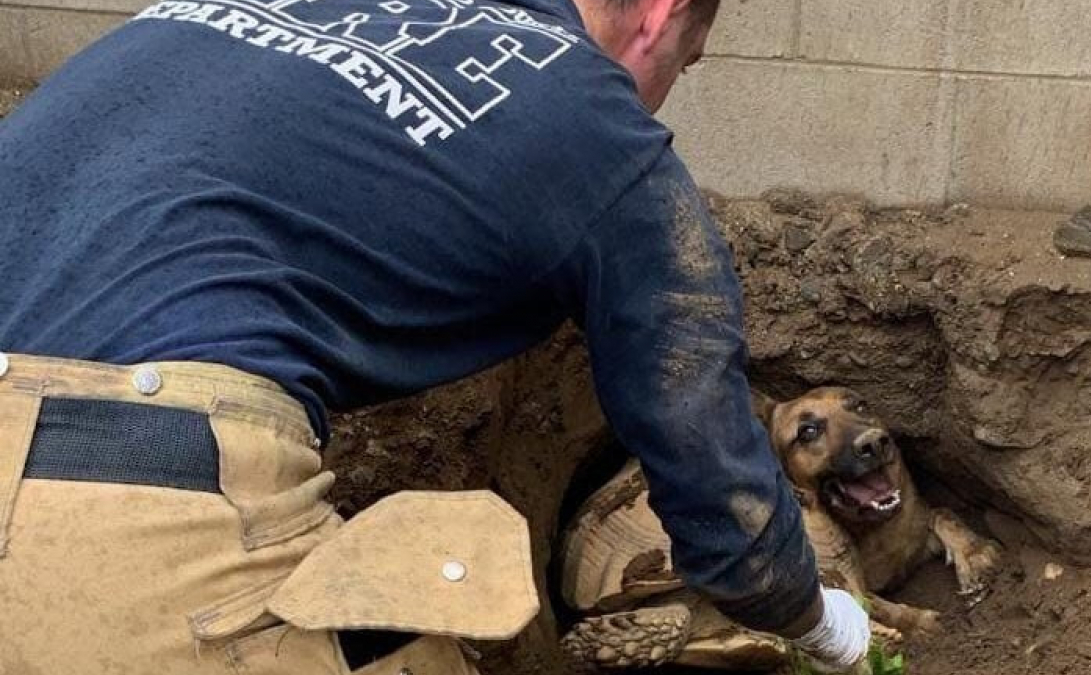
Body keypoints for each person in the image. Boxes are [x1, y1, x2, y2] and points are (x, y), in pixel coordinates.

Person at [0, 0, 870, 672]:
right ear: (663, 14)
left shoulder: (245, 15)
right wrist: (827, 626)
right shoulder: (599, 127)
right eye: (688, 61)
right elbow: (719, 484)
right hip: (133, 514)